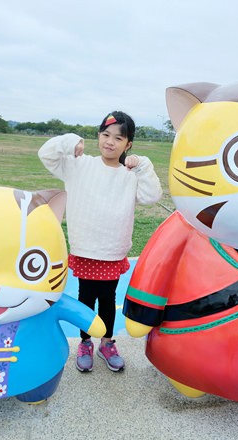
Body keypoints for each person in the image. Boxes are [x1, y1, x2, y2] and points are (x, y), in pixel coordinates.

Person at [38, 111, 162, 372]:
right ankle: (85, 343)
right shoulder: (79, 165)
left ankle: (107, 342)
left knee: (107, 299)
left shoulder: (130, 174)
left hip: (112, 250)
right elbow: (46, 154)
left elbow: (152, 196)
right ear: (98, 136)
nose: (110, 141)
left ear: (128, 145)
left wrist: (142, 165)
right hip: (86, 248)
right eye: (106, 135)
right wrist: (70, 141)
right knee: (85, 298)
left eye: (118, 138)